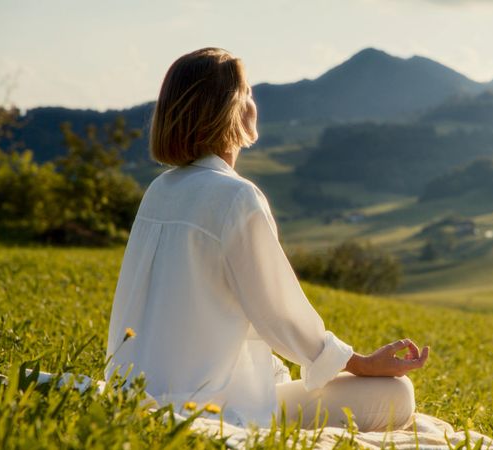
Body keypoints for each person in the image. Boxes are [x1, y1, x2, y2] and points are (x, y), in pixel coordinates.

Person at [104, 47, 429, 432]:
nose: (254, 103)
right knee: (397, 395)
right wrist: (361, 363)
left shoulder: (160, 189)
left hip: (135, 391)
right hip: (208, 406)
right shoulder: (235, 197)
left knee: (293, 383)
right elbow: (280, 316)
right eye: (248, 92)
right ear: (233, 109)